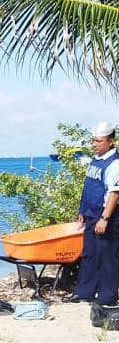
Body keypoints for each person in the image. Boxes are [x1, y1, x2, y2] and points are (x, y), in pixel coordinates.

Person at [66, 121, 119, 305]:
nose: (94, 144)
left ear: (110, 141)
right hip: (90, 214)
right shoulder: (96, 160)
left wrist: (105, 218)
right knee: (89, 254)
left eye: (98, 141)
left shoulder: (115, 164)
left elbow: (114, 193)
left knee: (107, 257)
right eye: (93, 140)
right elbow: (89, 186)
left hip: (106, 217)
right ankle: (85, 291)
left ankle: (108, 296)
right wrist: (82, 209)